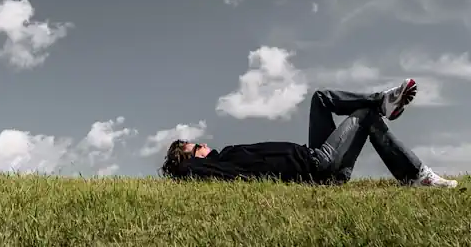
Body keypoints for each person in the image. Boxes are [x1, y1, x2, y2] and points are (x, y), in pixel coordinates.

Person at [160, 79, 458, 187]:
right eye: (195, 146)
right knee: (366, 116)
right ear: (190, 160)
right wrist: (182, 161)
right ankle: (418, 175)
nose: (202, 144)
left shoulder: (225, 156)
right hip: (317, 165)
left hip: (312, 154)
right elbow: (185, 171)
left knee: (320, 98)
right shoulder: (210, 169)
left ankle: (382, 102)